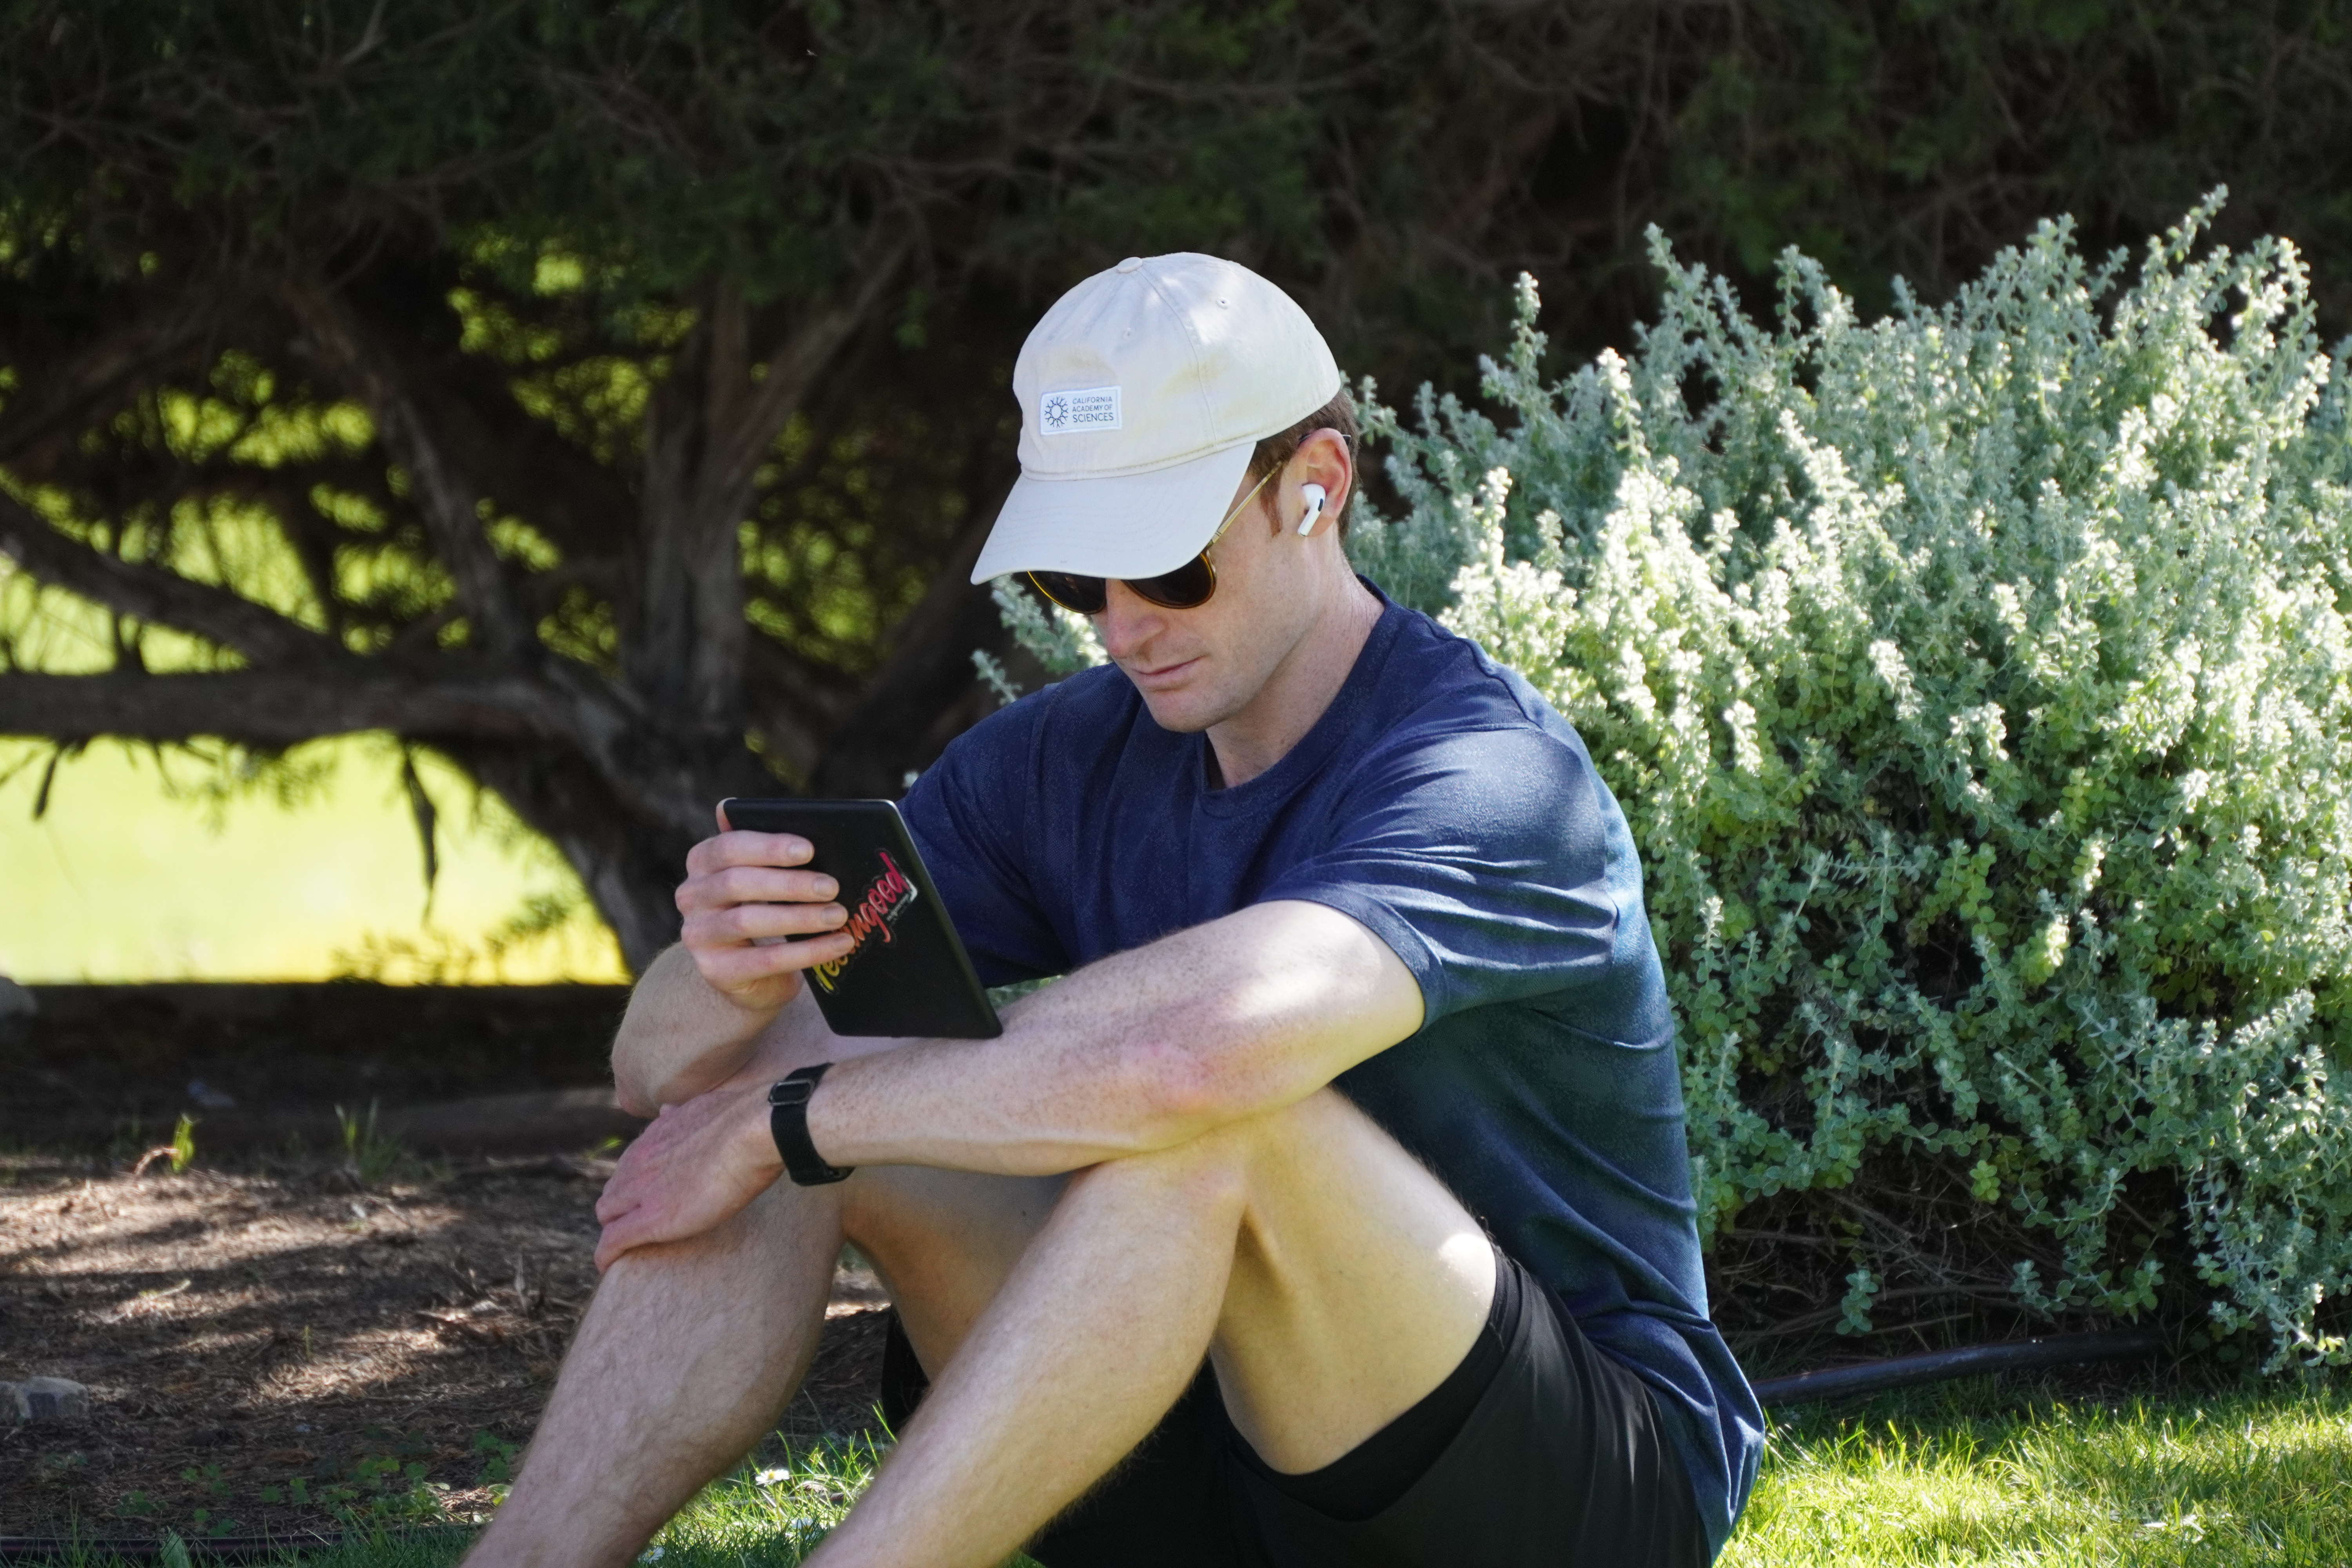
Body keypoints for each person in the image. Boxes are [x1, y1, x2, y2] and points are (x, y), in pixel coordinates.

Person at [464, 252, 1762, 1568]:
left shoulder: (1491, 775)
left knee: (1215, 1125)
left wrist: (787, 1120)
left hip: (1571, 1494)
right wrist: (731, 974)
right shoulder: (1060, 756)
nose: (1125, 629)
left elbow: (1195, 1054)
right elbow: (656, 1071)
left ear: (1315, 489)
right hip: (1199, 1444)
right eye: (1077, 584)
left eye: (1170, 569)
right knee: (803, 1046)